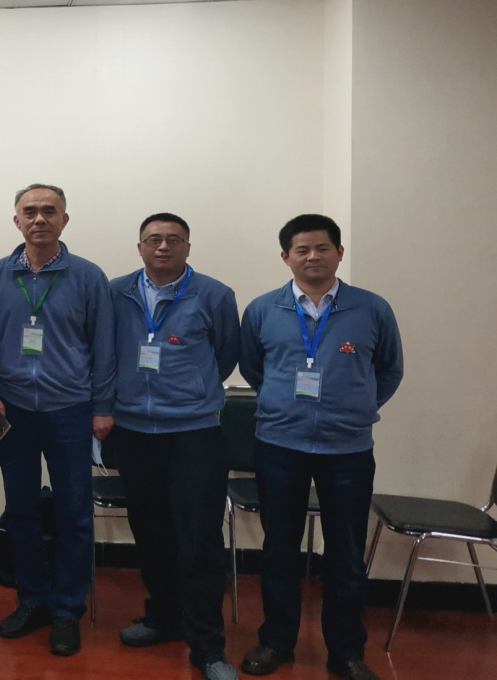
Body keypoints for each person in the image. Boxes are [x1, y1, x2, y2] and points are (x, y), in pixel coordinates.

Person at [238, 214, 403, 680]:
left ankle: (346, 653)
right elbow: (253, 368)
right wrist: (283, 405)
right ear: (286, 257)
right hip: (279, 445)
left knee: (346, 555)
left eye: (323, 248)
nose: (313, 256)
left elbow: (389, 369)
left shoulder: (371, 309)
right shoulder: (263, 309)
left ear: (339, 253)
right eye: (302, 249)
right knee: (279, 549)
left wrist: (355, 407)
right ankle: (276, 642)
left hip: (347, 450)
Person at [0, 183, 116, 657]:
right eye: (30, 211)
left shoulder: (87, 276)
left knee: (74, 512)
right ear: (17, 221)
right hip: (13, 410)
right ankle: (33, 599)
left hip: (70, 409)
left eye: (49, 211)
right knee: (20, 509)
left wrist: (102, 406)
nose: (39, 219)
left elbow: (103, 347)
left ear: (64, 219)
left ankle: (67, 610)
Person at [108, 213, 240, 680]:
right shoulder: (116, 292)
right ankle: (164, 617)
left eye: (173, 239)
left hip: (193, 432)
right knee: (151, 532)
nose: (163, 246)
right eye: (154, 239)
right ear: (140, 247)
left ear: (187, 247)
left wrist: (191, 393)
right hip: (133, 431)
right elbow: (104, 351)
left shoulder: (215, 294)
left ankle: (207, 646)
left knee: (199, 539)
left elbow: (226, 355)